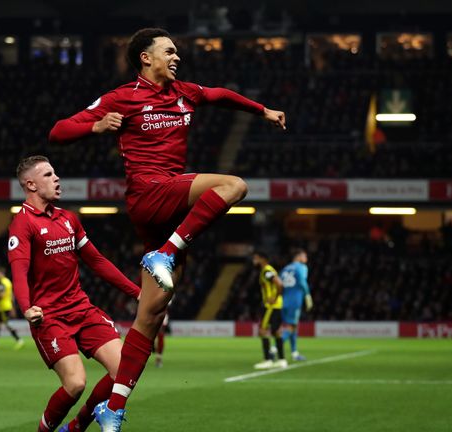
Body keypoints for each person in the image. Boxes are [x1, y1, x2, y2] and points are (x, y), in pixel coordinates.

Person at [49, 27, 286, 430]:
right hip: (149, 192)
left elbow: (220, 96)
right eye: (169, 51)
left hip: (170, 210)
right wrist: (94, 127)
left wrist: (261, 110)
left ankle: (102, 413)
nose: (177, 57)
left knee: (151, 316)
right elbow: (58, 131)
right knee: (234, 185)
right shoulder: (121, 97)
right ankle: (166, 253)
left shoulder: (185, 92)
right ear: (146, 57)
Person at [7, 155, 141, 432]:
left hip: (81, 308)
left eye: (55, 173)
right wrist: (26, 307)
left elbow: (97, 261)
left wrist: (136, 292)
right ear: (30, 184)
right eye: (48, 175)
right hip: (50, 317)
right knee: (75, 383)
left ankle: (78, 426)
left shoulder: (68, 219)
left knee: (124, 370)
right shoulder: (23, 223)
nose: (56, 178)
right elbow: (18, 269)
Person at [252, 251, 286, 369]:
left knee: (262, 330)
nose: (254, 260)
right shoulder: (268, 270)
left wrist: (275, 297)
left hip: (271, 306)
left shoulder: (266, 271)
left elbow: (280, 284)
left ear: (263, 259)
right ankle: (281, 360)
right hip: (276, 305)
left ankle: (268, 360)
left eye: (256, 258)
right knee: (276, 331)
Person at [280, 249, 313, 362]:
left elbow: (279, 285)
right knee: (291, 327)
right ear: (298, 256)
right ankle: (274, 349)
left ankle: (294, 353)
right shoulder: (301, 267)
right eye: (305, 256)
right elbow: (302, 282)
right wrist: (307, 295)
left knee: (293, 326)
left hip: (283, 300)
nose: (306, 259)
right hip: (295, 300)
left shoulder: (285, 268)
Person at [0, 266, 24, 350]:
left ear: (1, 273)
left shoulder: (2, 283)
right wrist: (13, 307)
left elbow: (2, 295)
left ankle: (19, 340)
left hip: (3, 307)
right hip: (6, 306)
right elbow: (12, 295)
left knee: (4, 325)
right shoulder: (8, 282)